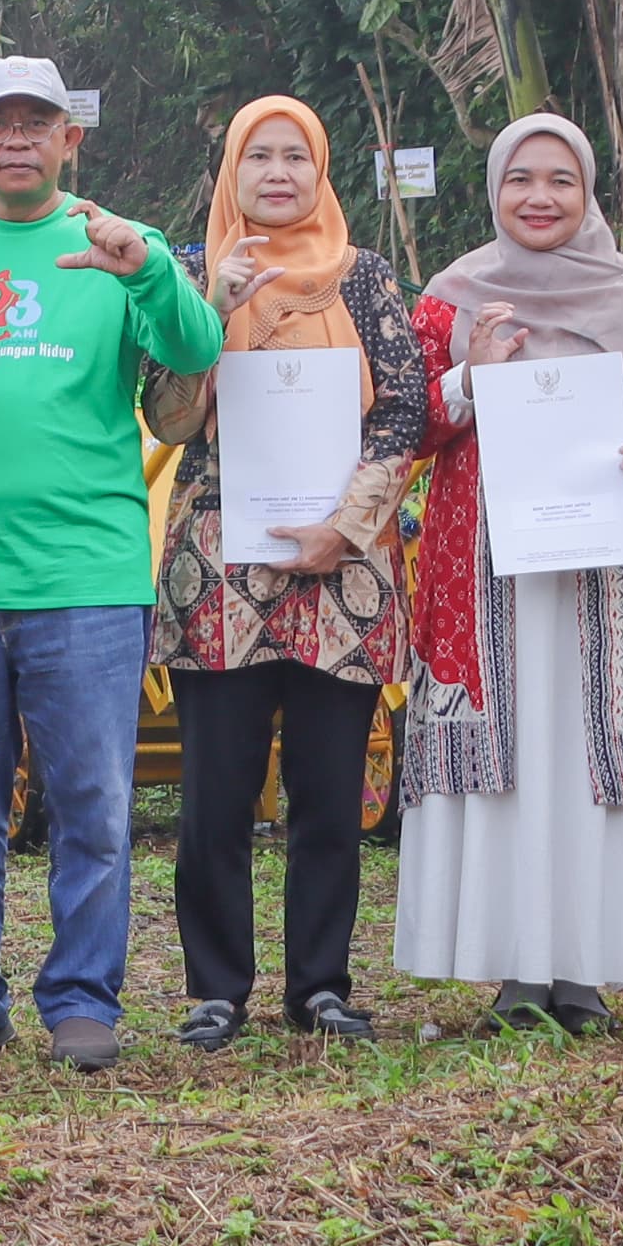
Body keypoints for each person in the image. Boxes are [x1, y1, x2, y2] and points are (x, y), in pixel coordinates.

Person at [0, 53, 221, 1075]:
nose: (16, 136)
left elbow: (193, 352)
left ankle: (80, 998)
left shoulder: (119, 241)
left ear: (72, 137)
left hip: (86, 574)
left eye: (39, 120)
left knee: (91, 801)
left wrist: (146, 267)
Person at [397, 114, 623, 1035]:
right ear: (493, 190)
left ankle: (587, 970)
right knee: (513, 759)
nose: (539, 197)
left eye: (560, 180)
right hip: (484, 572)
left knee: (583, 756)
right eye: (520, 179)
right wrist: (471, 375)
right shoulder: (453, 300)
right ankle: (512, 971)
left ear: (587, 193)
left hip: (608, 577)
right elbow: (406, 431)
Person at [142, 96, 426, 1052]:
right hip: (221, 562)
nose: (276, 173)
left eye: (294, 157)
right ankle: (215, 988)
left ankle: (321, 986)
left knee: (330, 788)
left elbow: (404, 412)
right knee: (215, 793)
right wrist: (212, 307)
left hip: (338, 565)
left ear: (321, 171)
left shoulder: (367, 278)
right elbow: (169, 417)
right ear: (231, 172)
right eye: (257, 156)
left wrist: (345, 528)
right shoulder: (193, 279)